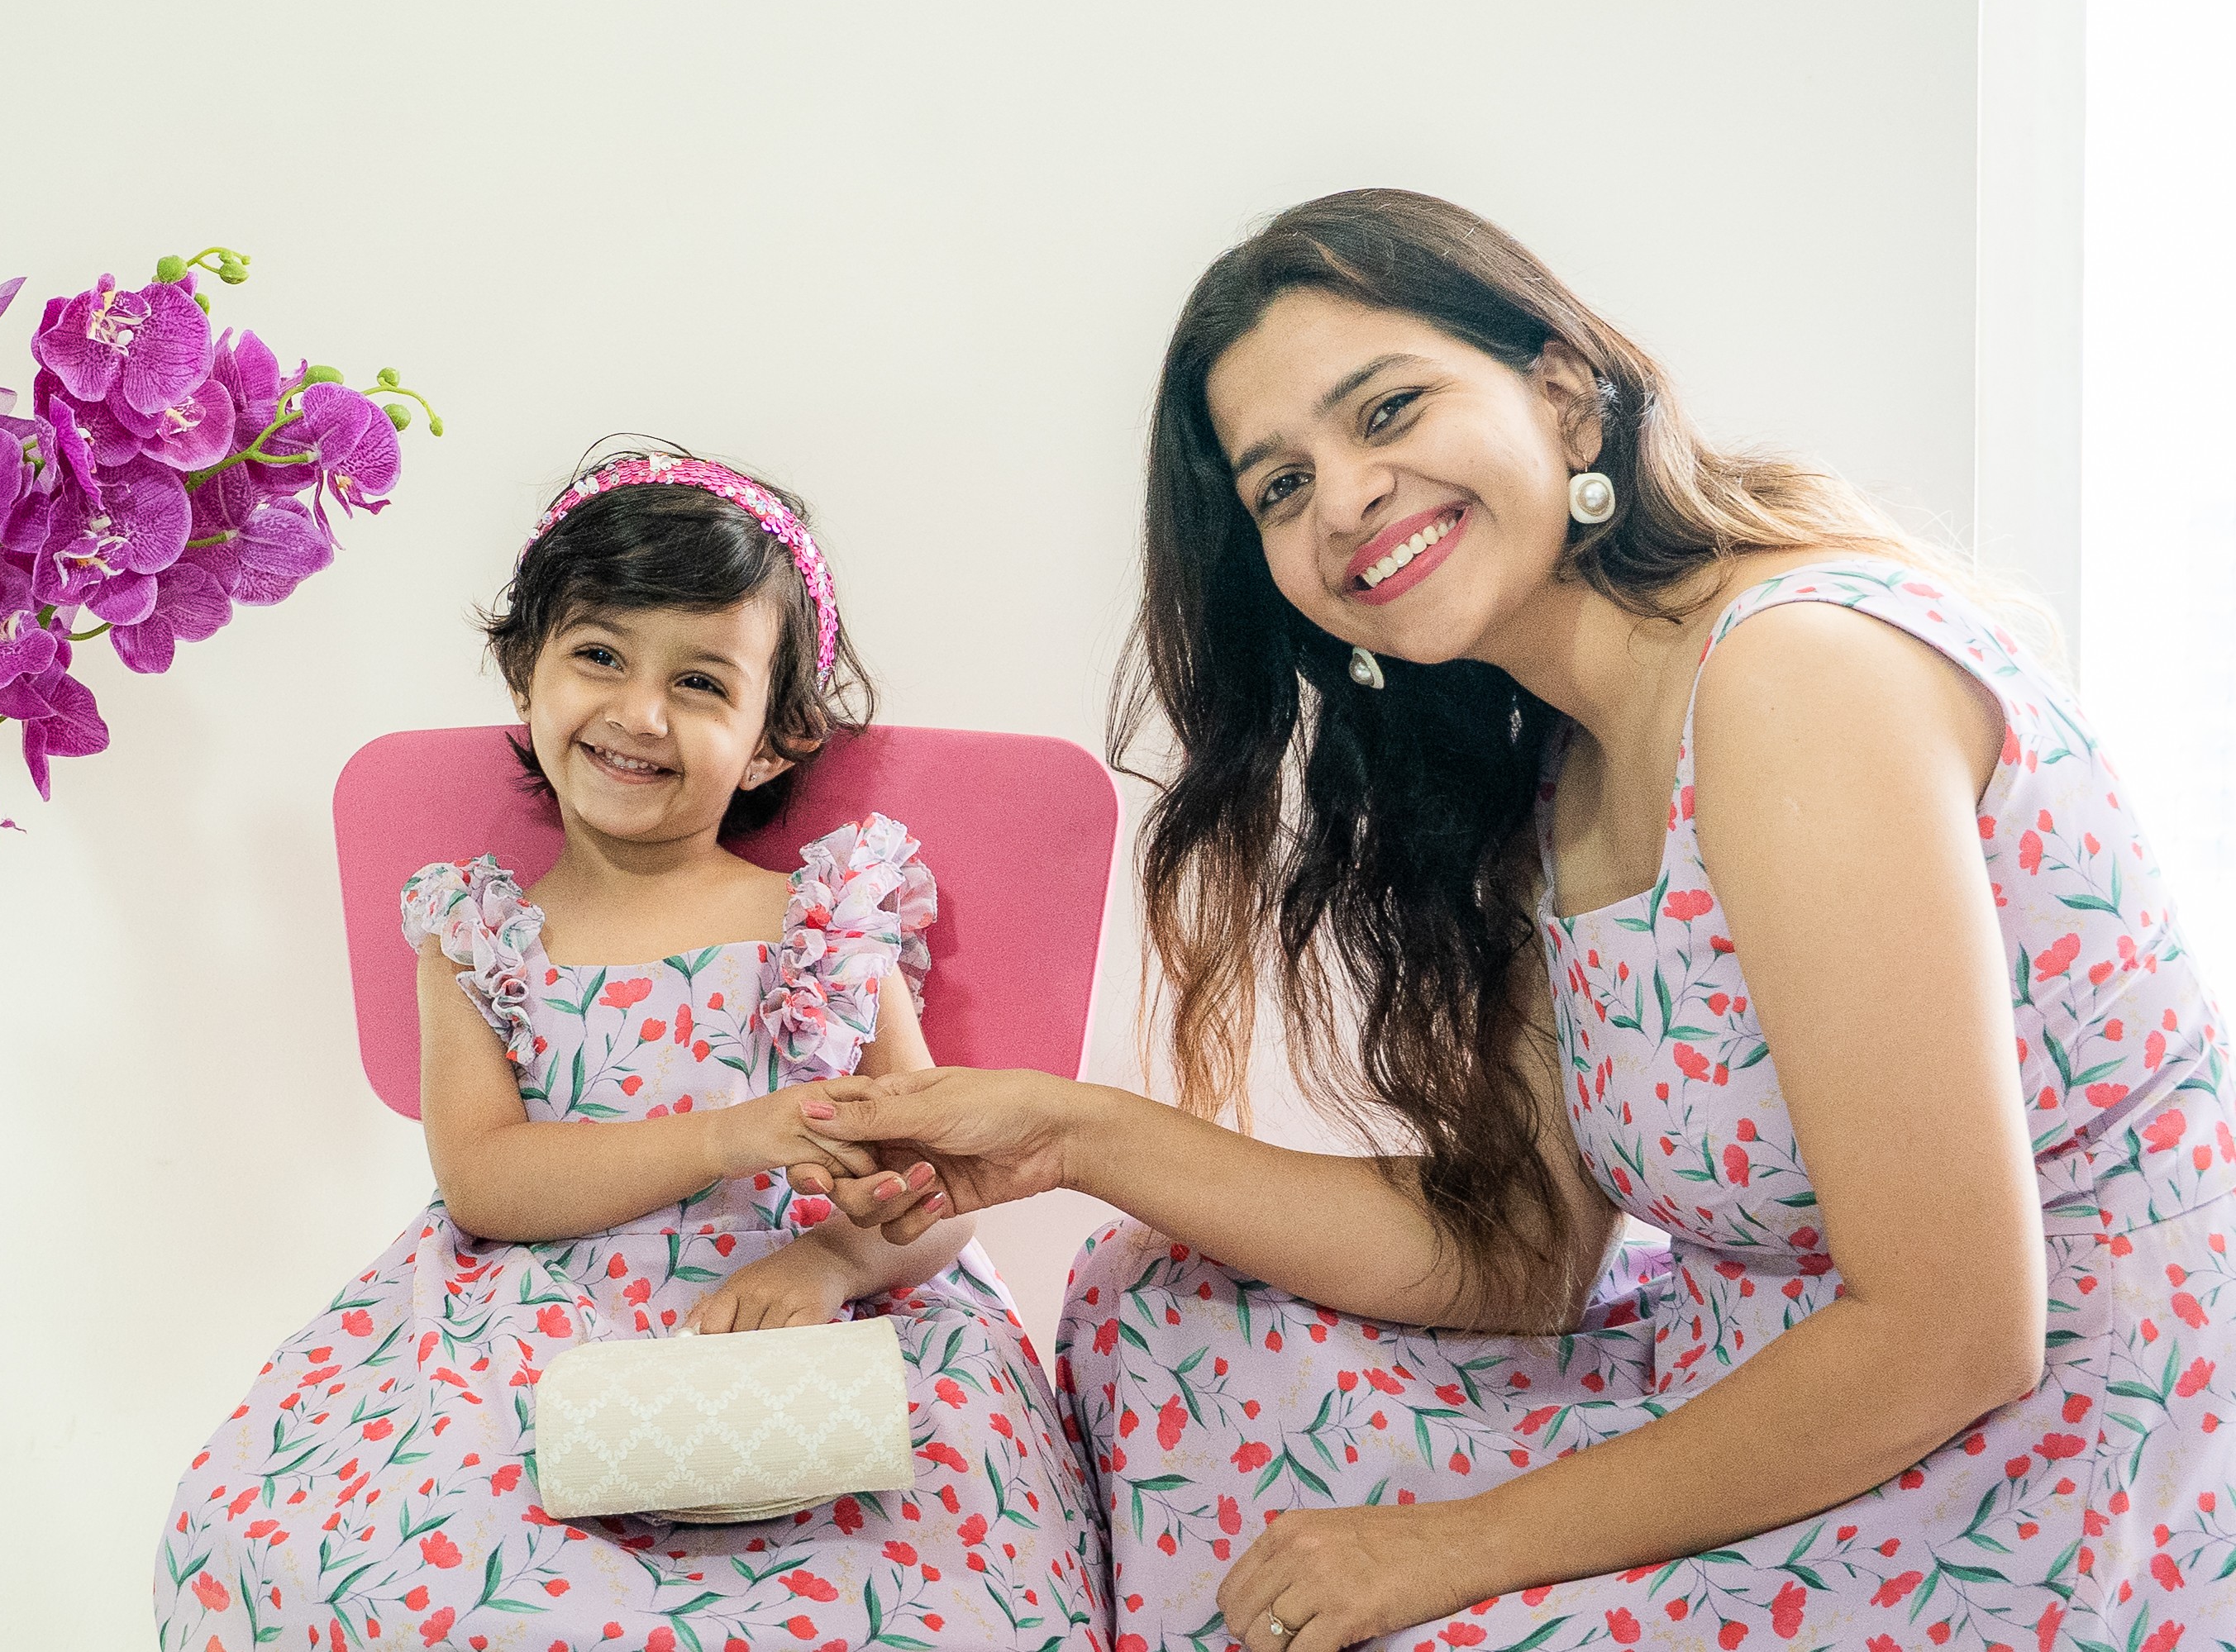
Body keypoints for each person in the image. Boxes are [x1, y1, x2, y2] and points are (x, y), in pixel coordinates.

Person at [791, 191, 2234, 1651]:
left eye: (1388, 408)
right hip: (1764, 1372)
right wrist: (1071, 1136)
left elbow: (1954, 1329)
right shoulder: (1563, 759)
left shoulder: (1795, 679)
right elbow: (1523, 1245)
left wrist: (1446, 1554)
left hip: (2042, 1453)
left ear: (1558, 392)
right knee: (1163, 1311)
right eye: (1278, 485)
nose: (1344, 497)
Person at [156, 449, 1105, 1651]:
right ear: (525, 673)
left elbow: (941, 1184)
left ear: (771, 739)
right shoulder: (474, 931)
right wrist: (723, 1133)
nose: (638, 712)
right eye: (599, 654)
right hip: (528, 1324)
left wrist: (829, 1263)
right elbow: (488, 1181)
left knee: (910, 1575)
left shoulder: (820, 915)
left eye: (702, 682)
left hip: (800, 1314)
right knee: (304, 1545)